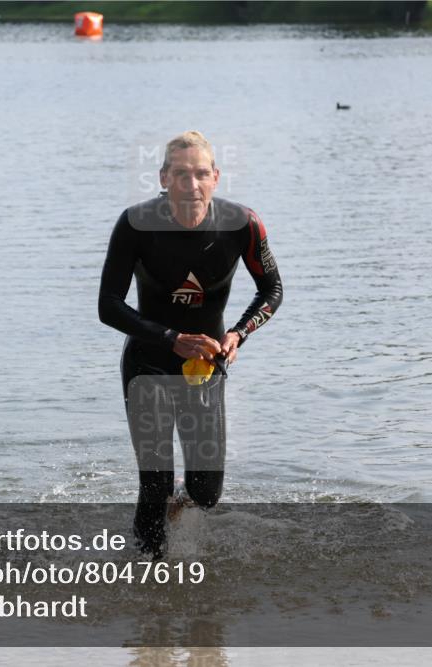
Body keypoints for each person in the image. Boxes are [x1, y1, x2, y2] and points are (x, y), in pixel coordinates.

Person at [98, 131, 283, 559]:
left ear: (216, 176)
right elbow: (108, 305)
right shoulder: (136, 224)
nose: (192, 184)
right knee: (155, 484)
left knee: (206, 492)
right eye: (181, 174)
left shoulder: (242, 224)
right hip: (148, 365)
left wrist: (238, 334)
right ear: (164, 178)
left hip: (206, 368)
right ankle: (147, 577)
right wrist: (172, 339)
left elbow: (272, 289)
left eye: (201, 174)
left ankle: (178, 506)